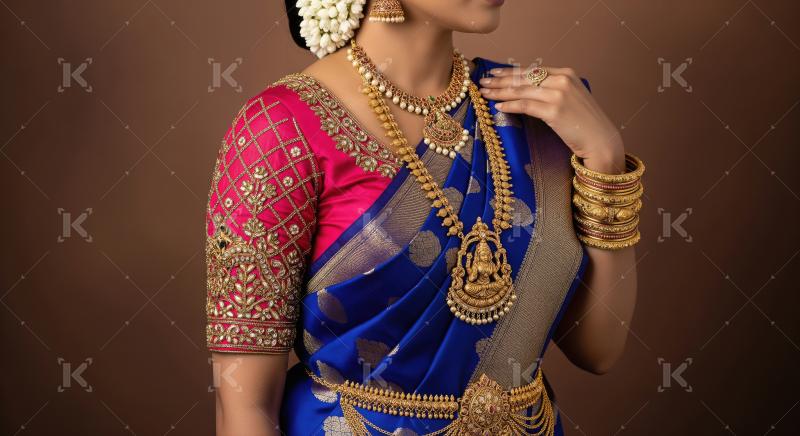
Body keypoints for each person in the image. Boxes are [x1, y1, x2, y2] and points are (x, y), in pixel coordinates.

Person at [205, 1, 644, 434]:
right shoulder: (279, 131)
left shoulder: (536, 116)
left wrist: (605, 161)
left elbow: (598, 350)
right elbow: (244, 408)